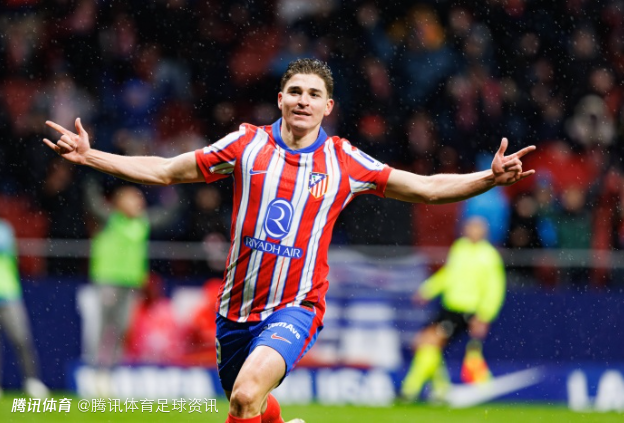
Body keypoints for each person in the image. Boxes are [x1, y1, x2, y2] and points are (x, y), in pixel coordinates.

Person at [43, 58, 534, 423]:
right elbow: (168, 170)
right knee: (251, 401)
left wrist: (487, 179)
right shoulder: (246, 144)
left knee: (244, 395)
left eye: (313, 94)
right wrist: (92, 157)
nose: (303, 100)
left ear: (328, 106)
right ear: (280, 99)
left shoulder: (345, 161)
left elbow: (425, 188)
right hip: (235, 311)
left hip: (296, 306)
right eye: (295, 91)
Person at [400, 216, 506, 402]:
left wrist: (484, 315)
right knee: (427, 345)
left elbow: (495, 288)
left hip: (467, 312)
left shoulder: (489, 256)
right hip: (449, 307)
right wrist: (428, 290)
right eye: (470, 227)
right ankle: (440, 390)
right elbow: (449, 274)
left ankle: (410, 390)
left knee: (429, 342)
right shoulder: (460, 248)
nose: (472, 231)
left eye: (476, 228)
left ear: (484, 232)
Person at [0, 218, 49, 398]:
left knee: (22, 340)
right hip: (9, 293)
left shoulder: (4, 229)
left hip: (8, 294)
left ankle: (32, 381)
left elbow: (9, 252)